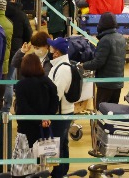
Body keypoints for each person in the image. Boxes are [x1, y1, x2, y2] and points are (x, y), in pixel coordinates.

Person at [80, 13, 126, 108]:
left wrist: (83, 65)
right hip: (118, 81)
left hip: (106, 83)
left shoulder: (105, 40)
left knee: (102, 109)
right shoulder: (121, 38)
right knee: (113, 110)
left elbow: (98, 62)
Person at [14, 53, 58, 146]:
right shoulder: (47, 81)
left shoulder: (21, 85)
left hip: (26, 127)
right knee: (42, 157)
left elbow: (23, 107)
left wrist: (39, 120)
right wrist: (48, 117)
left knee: (26, 158)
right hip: (45, 126)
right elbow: (55, 99)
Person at [47, 36, 75, 178]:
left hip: (61, 113)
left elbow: (56, 94)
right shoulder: (59, 66)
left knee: (59, 143)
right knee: (62, 143)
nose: (50, 50)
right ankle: (62, 171)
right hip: (64, 111)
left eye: (52, 47)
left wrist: (48, 112)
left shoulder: (62, 69)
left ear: (57, 52)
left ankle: (59, 173)